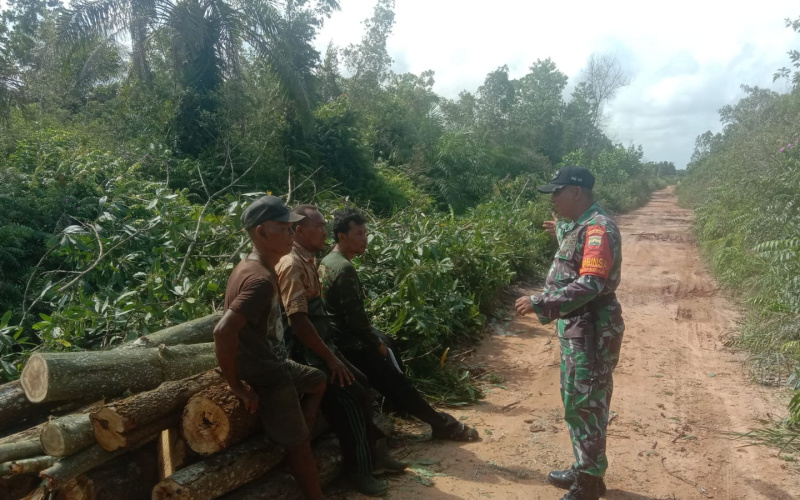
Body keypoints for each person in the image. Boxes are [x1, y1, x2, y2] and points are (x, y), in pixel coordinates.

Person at [275, 204, 407, 497]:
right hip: (305, 354)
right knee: (349, 396)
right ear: (298, 230)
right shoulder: (291, 264)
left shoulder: (309, 259)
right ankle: (359, 470)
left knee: (362, 384)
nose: (325, 231)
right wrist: (330, 358)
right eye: (319, 226)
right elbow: (297, 321)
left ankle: (373, 454)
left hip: (323, 346)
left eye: (324, 226)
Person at [318, 207, 479, 442]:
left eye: (365, 233)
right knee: (395, 380)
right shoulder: (345, 269)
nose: (365, 239)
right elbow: (356, 321)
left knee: (390, 342)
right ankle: (441, 424)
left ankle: (401, 408)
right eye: (359, 234)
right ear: (342, 237)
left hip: (338, 337)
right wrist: (376, 345)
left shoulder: (327, 261)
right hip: (350, 344)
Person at [515, 166, 625, 500]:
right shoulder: (580, 226)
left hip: (590, 330)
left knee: (586, 403)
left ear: (576, 192)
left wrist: (542, 302)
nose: (553, 198)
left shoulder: (597, 230)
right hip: (577, 329)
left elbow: (591, 282)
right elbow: (574, 243)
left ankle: (589, 483)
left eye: (557, 192)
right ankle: (585, 467)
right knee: (575, 401)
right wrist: (559, 228)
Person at [213, 195, 327, 500]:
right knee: (299, 444)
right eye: (285, 229)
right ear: (262, 232)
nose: (292, 236)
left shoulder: (257, 266)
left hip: (275, 361)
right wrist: (235, 384)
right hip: (266, 372)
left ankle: (295, 430)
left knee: (318, 381)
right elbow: (223, 331)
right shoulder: (259, 280)